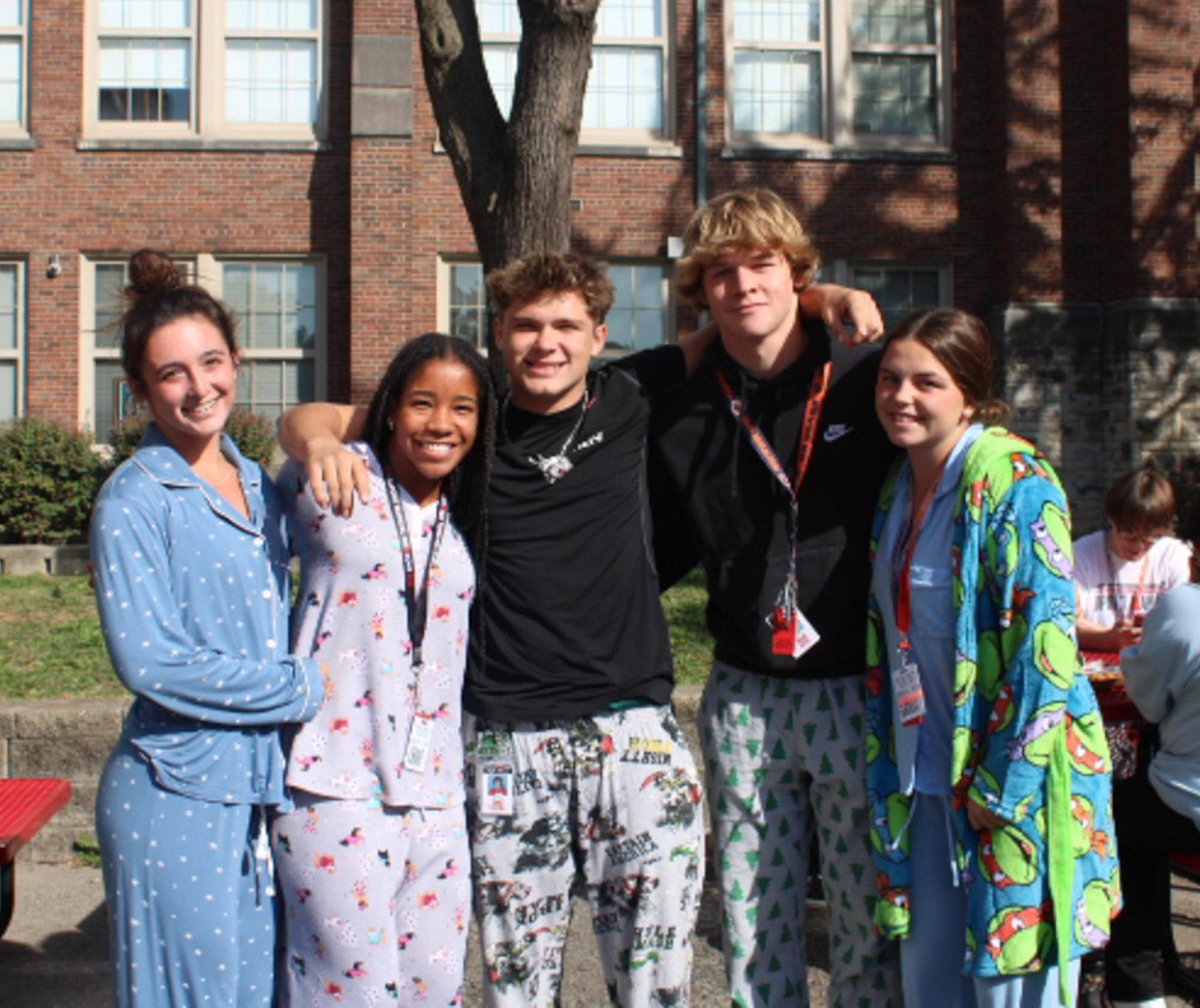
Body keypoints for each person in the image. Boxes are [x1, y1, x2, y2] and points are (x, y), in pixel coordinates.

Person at [278, 250, 879, 1007]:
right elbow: (311, 417)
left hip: (631, 733)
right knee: (518, 987)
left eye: (566, 324)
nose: (545, 342)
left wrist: (824, 296)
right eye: (526, 324)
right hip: (506, 739)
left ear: (600, 335)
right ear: (497, 331)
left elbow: (738, 322)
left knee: (656, 983)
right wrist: (323, 444)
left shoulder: (632, 392)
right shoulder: (469, 417)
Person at [649, 187, 903, 1007]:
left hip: (855, 687)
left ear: (797, 274)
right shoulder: (681, 404)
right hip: (743, 690)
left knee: (865, 918)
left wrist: (836, 302)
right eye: (720, 271)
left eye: (762, 265)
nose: (743, 284)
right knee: (755, 913)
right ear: (699, 289)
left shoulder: (864, 373)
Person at [865, 307, 1120, 1008]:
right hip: (922, 788)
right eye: (890, 378)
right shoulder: (895, 488)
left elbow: (1048, 651)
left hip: (1008, 794)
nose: (902, 396)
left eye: (927, 381)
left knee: (1014, 990)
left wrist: (999, 793)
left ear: (971, 395)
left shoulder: (1018, 483)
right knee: (932, 989)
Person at [91, 249, 323, 1008]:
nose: (199, 388)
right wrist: (300, 687)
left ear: (237, 360)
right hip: (174, 790)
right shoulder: (135, 499)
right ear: (140, 391)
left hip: (258, 789)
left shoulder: (261, 482)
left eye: (212, 362)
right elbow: (150, 662)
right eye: (172, 374)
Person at [271, 333, 494, 1006]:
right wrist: (315, 440)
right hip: (333, 780)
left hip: (436, 793)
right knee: (351, 992)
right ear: (391, 407)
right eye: (422, 402)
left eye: (463, 408)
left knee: (436, 984)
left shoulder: (472, 505)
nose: (441, 423)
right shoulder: (341, 473)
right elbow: (297, 423)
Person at [1104, 498, 1200, 1008]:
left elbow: (1148, 701)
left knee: (1117, 820)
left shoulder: (1184, 606)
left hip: (1186, 800)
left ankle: (1136, 988)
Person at [1073, 469, 1190, 652]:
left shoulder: (1175, 556)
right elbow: (1069, 623)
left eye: (1149, 540)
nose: (1138, 547)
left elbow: (1185, 622)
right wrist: (1107, 639)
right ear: (1112, 519)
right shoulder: (1080, 554)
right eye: (1129, 536)